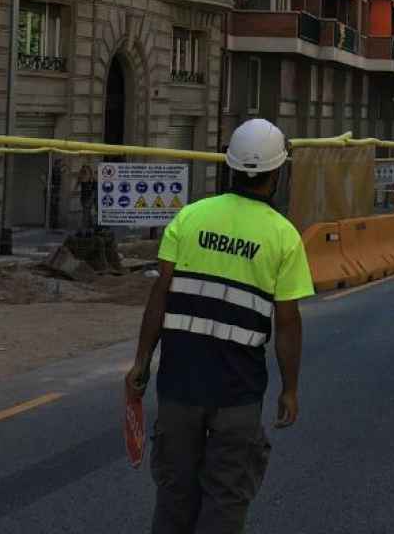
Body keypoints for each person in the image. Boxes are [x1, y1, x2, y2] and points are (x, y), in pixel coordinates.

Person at [126, 118, 314, 534]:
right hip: (237, 394)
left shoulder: (189, 218)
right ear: (277, 174)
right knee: (226, 500)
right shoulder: (283, 237)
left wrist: (141, 362)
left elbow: (160, 296)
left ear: (229, 167)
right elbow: (287, 324)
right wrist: (290, 388)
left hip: (178, 387)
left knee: (174, 497)